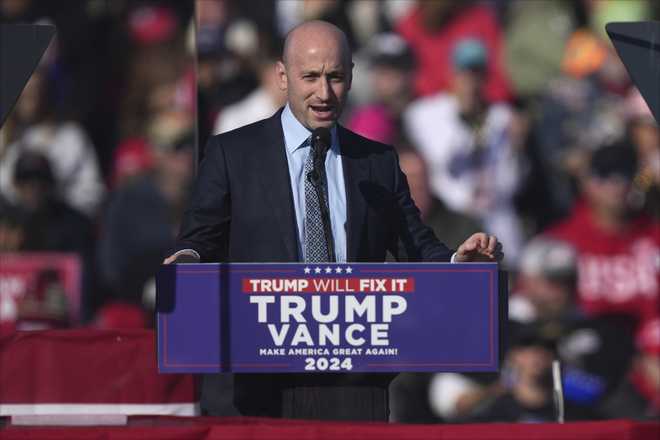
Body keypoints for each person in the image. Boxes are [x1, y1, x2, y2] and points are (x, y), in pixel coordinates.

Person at [164, 20, 502, 421]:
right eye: (310, 77)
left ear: (352, 78)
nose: (324, 93)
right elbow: (199, 238)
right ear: (282, 76)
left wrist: (456, 265)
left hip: (352, 386)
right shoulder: (232, 154)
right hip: (258, 382)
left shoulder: (378, 162)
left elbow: (417, 246)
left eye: (335, 77)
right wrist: (186, 262)